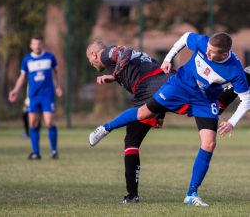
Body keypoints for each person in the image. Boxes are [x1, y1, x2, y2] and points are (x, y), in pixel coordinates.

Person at [89, 32, 250, 206]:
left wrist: (232, 122)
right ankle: (106, 128)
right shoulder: (204, 43)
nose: (207, 53)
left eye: (212, 52)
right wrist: (168, 58)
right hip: (179, 85)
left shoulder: (234, 70)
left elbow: (246, 99)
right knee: (143, 113)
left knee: (209, 143)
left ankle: (191, 194)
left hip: (203, 99)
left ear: (224, 55)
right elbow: (185, 37)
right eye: (207, 50)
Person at [87, 40, 181, 203]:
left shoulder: (105, 54)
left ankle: (132, 195)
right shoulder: (139, 58)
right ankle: (233, 84)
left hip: (147, 88)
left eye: (90, 60)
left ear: (94, 54)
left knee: (131, 142)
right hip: (170, 82)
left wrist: (113, 76)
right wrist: (159, 113)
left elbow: (125, 52)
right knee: (206, 107)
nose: (92, 64)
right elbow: (157, 70)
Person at [9, 35, 62, 160]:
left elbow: (57, 72)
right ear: (30, 45)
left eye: (39, 44)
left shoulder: (50, 57)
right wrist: (15, 90)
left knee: (49, 122)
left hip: (47, 95)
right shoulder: (27, 59)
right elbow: (22, 77)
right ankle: (36, 152)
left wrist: (58, 86)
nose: (37, 46)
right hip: (33, 96)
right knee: (33, 123)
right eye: (34, 44)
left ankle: (54, 151)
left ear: (42, 44)